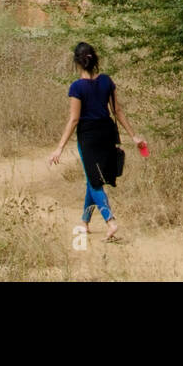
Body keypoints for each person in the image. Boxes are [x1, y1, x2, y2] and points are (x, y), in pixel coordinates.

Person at [49, 41, 145, 242]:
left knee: (94, 181)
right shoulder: (107, 81)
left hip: (89, 137)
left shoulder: (76, 87)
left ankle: (110, 221)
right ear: (94, 60)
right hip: (107, 132)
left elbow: (74, 119)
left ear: (77, 62)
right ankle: (84, 222)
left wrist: (59, 148)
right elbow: (117, 111)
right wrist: (133, 135)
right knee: (92, 178)